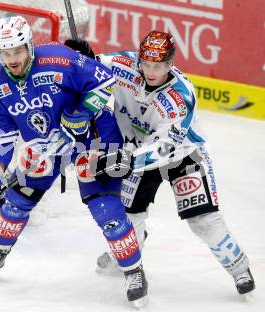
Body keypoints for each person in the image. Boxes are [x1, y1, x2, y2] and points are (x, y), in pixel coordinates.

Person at [0, 16, 147, 307]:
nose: (12, 59)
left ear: (29, 47)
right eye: (6, 53)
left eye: (18, 51)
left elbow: (104, 82)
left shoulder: (60, 59)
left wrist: (84, 111)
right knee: (17, 199)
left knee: (105, 209)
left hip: (92, 137)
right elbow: (1, 135)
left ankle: (134, 271)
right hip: (45, 145)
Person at [66, 31, 255, 297]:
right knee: (130, 216)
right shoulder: (123, 65)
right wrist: (83, 57)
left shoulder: (181, 96)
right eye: (146, 64)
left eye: (159, 66)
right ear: (139, 59)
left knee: (203, 219)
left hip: (183, 154)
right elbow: (92, 69)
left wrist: (127, 160)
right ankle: (130, 257)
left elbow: (166, 148)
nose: (151, 71)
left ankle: (239, 268)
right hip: (137, 152)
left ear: (170, 64)